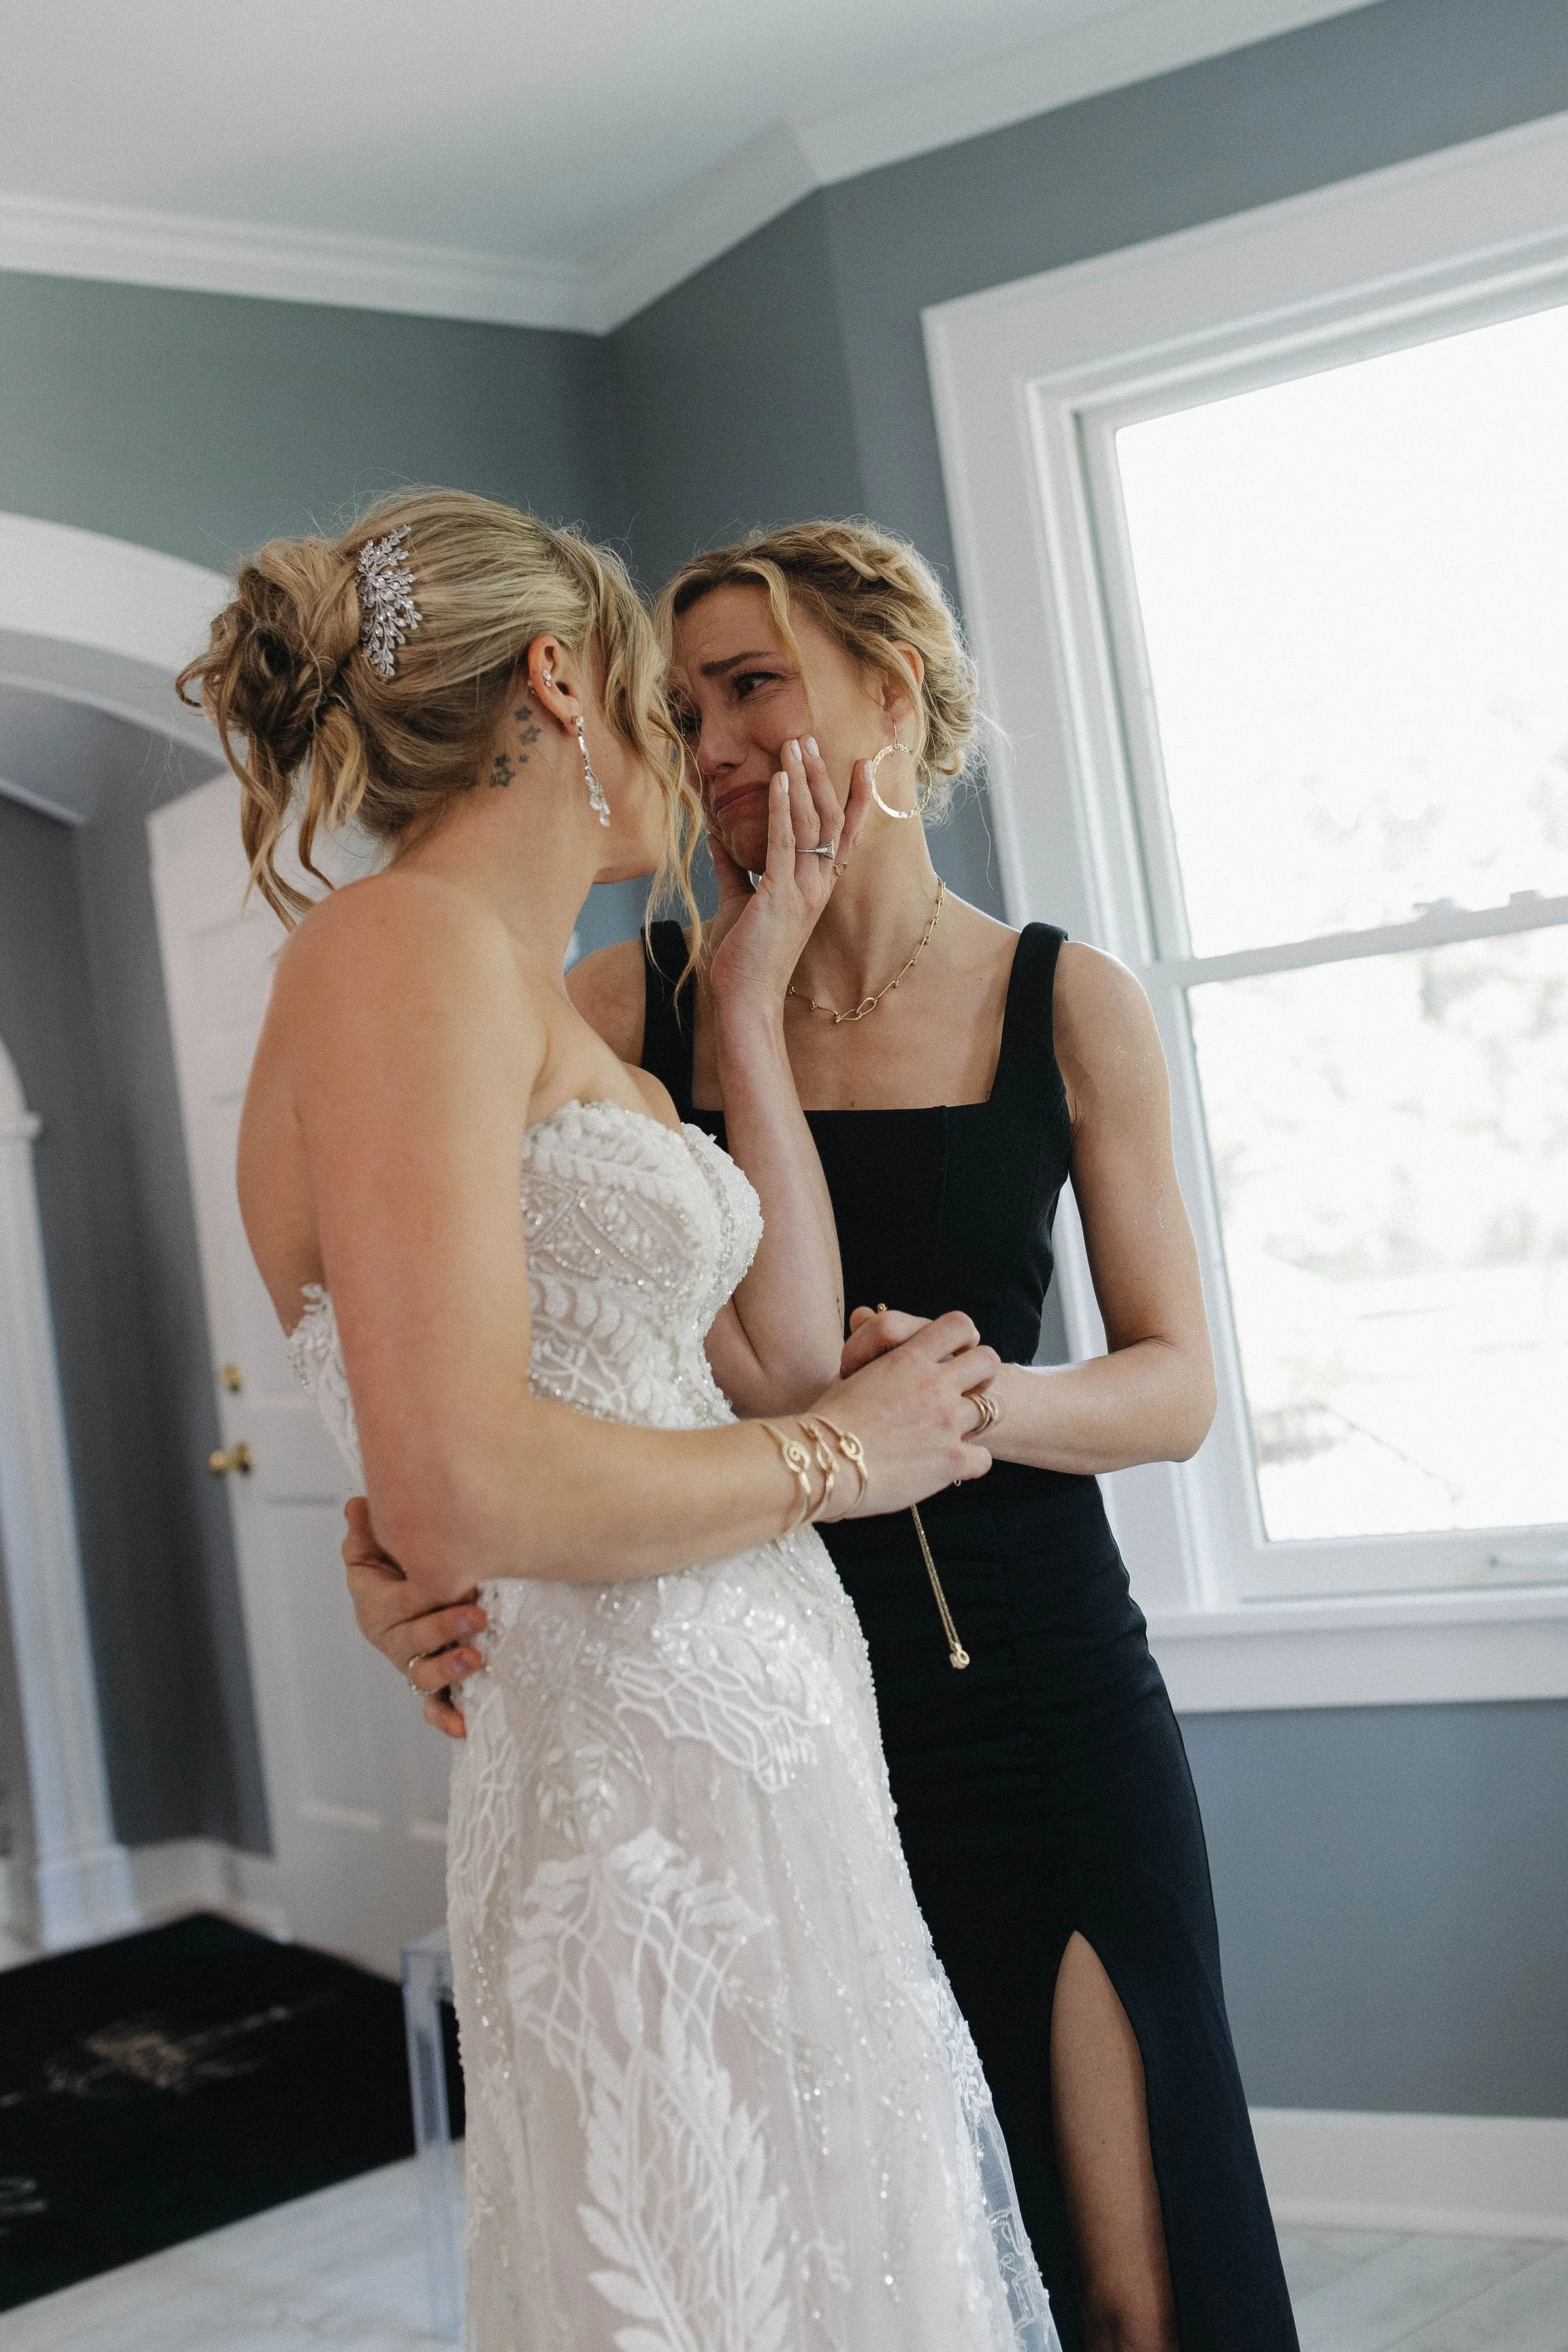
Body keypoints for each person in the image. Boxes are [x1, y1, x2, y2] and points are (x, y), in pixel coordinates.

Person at [349, 521, 1301, 2352]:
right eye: (679, 700)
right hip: (764, 1723)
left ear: (898, 691)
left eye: (750, 687)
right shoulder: (619, 1009)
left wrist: (961, 1407)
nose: (702, 741)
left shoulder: (1063, 1003)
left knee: (1133, 2275)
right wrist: (386, 1543)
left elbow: (1173, 1383)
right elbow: (460, 1340)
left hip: (1050, 1710)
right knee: (888, 2269)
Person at [179, 489, 1058, 2352]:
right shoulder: (397, 952)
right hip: (633, 1791)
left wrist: (743, 1001)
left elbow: (782, 1354)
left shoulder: (541, 1008)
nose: (696, 748)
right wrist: (849, 1467)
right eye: (670, 697)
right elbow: (463, 1474)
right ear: (562, 680)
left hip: (756, 1747)